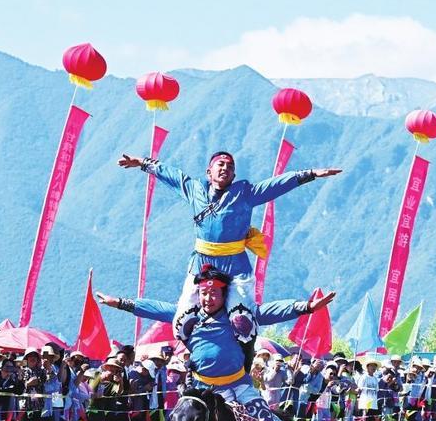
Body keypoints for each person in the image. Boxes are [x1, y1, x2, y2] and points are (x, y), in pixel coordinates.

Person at [98, 264, 335, 421]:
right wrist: (121, 303)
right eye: (203, 293)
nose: (208, 298)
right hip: (203, 392)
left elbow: (271, 311)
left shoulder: (239, 318)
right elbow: (156, 308)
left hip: (240, 387)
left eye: (214, 294)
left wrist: (306, 307)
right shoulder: (188, 318)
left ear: (224, 295)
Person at [117, 151, 341, 367]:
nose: (225, 168)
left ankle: (243, 362)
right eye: (220, 165)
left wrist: (310, 173)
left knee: (242, 320)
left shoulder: (245, 193)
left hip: (235, 265)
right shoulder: (193, 189)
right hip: (201, 263)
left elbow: (277, 184)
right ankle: (198, 357)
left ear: (234, 176)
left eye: (230, 167)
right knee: (182, 321)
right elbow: (170, 173)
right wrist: (141, 162)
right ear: (209, 172)